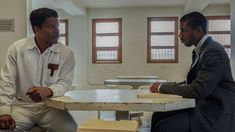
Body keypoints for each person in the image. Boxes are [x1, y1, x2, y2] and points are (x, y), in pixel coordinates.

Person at [150, 11, 235, 132]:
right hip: (204, 105)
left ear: (198, 30)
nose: (180, 35)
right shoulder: (202, 50)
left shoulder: (213, 51)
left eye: (183, 30)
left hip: (215, 112)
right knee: (157, 115)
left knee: (164, 127)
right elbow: (192, 82)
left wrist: (161, 87)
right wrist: (164, 86)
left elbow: (198, 90)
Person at [0, 8, 77, 131]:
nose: (57, 31)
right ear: (37, 29)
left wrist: (48, 90)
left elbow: (65, 82)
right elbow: (7, 81)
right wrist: (3, 111)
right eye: (51, 27)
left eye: (57, 26)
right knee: (3, 128)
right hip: (22, 107)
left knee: (71, 129)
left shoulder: (66, 53)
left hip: (51, 108)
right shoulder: (18, 48)